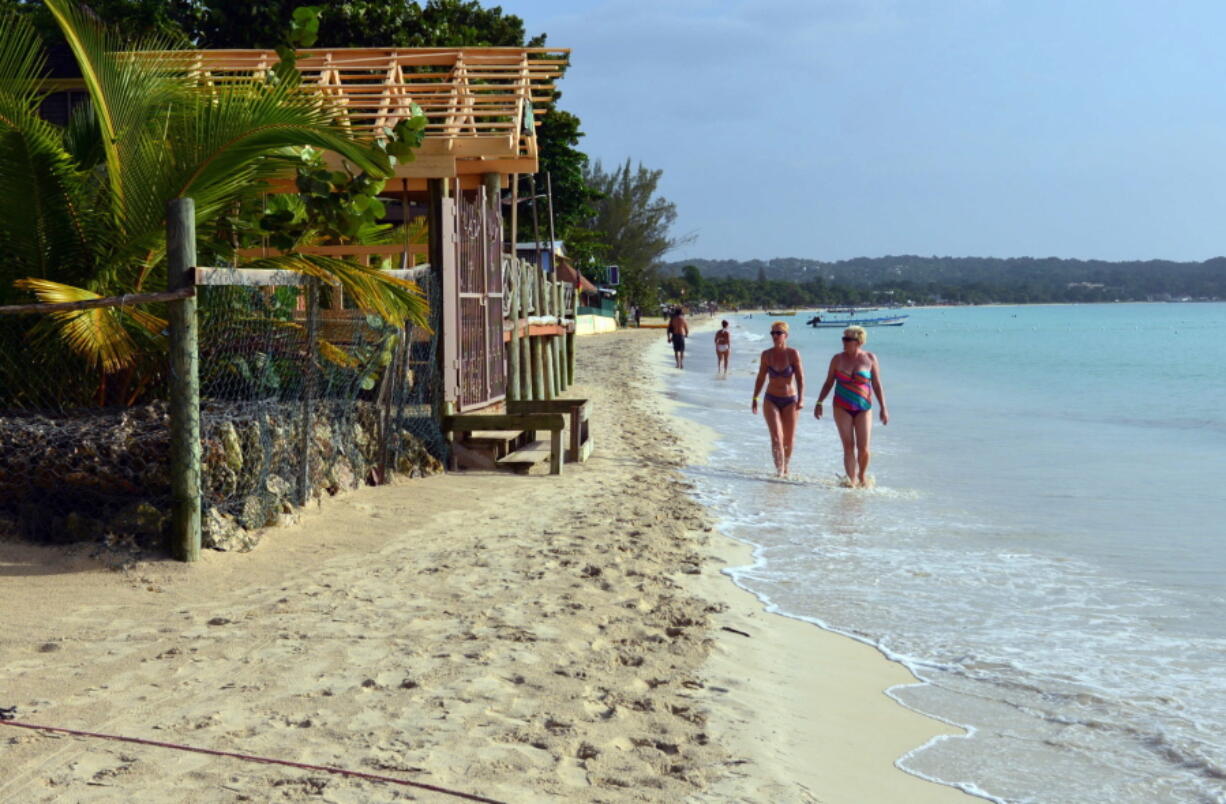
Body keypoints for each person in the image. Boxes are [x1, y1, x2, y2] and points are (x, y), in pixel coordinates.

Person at [814, 325, 889, 487]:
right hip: (841, 406)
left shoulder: (870, 358)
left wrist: (883, 407)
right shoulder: (837, 359)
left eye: (848, 339)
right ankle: (852, 481)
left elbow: (876, 384)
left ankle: (862, 476)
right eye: (843, 338)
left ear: (859, 341)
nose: (844, 341)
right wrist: (819, 402)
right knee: (848, 446)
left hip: (864, 407)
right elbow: (828, 383)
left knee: (864, 448)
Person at [751, 321, 804, 477]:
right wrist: (755, 397)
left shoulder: (793, 354)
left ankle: (785, 467)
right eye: (772, 333)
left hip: (790, 400)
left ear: (785, 335)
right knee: (776, 437)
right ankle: (779, 471)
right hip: (771, 399)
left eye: (778, 333)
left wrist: (801, 399)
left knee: (788, 439)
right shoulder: (766, 354)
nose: (775, 336)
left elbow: (801, 378)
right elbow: (761, 377)